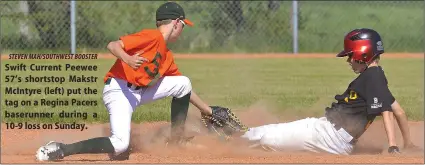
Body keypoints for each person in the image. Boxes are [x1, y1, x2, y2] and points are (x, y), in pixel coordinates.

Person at [35, 2, 216, 161]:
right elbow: (113, 45)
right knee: (120, 146)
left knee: (182, 82)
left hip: (139, 92)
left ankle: (176, 140)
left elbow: (184, 89)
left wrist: (208, 111)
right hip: (119, 91)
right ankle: (61, 149)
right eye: (183, 25)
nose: (182, 31)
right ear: (177, 23)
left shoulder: (166, 55)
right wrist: (127, 59)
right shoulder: (151, 37)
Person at [237, 28, 421, 155]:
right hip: (331, 136)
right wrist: (408, 143)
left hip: (327, 136)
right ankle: (235, 136)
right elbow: (399, 111)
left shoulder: (373, 76)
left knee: (266, 137)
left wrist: (393, 146)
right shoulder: (376, 77)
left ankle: (227, 137)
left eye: (350, 56)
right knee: (273, 136)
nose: (349, 61)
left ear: (362, 53)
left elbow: (387, 113)